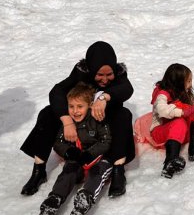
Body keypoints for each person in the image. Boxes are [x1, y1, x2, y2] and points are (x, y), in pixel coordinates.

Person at [20, 42, 134, 198]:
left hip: (102, 126)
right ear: (92, 69)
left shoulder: (120, 74)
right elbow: (57, 92)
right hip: (80, 121)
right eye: (100, 74)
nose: (105, 80)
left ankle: (117, 169)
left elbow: (126, 88)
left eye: (109, 74)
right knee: (47, 113)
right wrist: (67, 121)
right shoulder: (81, 73)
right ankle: (39, 169)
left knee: (124, 115)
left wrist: (104, 97)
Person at [37, 83, 113, 215]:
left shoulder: (97, 119)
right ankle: (55, 199)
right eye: (71, 106)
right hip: (78, 159)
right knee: (68, 171)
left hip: (98, 159)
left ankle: (85, 198)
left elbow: (106, 141)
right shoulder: (69, 123)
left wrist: (90, 154)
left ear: (89, 105)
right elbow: (58, 142)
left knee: (98, 172)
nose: (75, 111)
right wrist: (69, 152)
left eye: (80, 106)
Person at [149, 64, 194, 179]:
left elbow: (191, 108)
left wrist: (191, 110)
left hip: (181, 131)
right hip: (162, 132)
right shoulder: (162, 94)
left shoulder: (183, 92)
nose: (190, 84)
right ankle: (170, 160)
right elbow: (162, 111)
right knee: (179, 122)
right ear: (177, 82)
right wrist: (181, 112)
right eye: (188, 81)